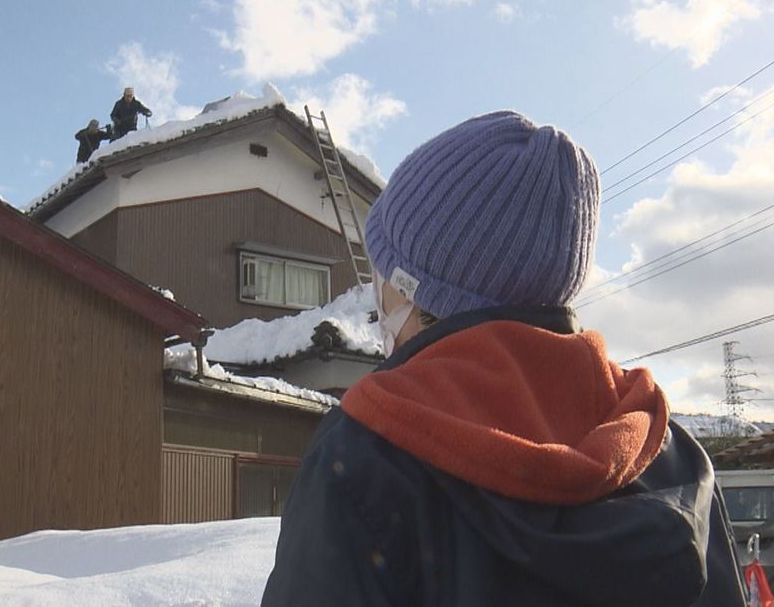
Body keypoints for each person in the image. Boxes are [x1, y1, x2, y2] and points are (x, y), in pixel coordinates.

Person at [262, 111, 745, 606]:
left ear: (411, 288)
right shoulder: (671, 455)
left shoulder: (365, 456)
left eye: (383, 274)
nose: (377, 299)